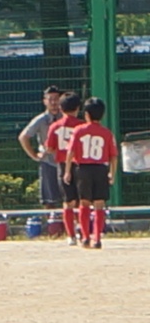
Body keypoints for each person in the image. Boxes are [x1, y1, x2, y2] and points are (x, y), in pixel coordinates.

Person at [64, 96, 118, 250]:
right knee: (99, 204)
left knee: (84, 203)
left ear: (86, 114)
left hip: (83, 169)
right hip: (101, 168)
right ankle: (98, 238)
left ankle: (85, 237)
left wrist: (67, 171)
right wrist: (112, 173)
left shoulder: (79, 130)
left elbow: (70, 152)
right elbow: (113, 156)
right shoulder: (107, 133)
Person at [44, 92, 85, 245]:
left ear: (60, 108)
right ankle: (83, 232)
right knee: (83, 200)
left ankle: (71, 235)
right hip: (81, 165)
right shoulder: (82, 126)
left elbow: (49, 148)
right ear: (78, 108)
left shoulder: (55, 126)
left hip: (62, 165)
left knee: (68, 202)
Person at [18, 85, 64, 212]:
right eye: (50, 99)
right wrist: (34, 155)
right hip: (48, 162)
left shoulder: (66, 118)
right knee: (49, 200)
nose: (54, 103)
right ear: (45, 101)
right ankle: (51, 223)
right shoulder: (40, 120)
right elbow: (23, 137)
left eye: (56, 99)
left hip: (65, 162)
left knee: (70, 199)